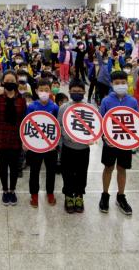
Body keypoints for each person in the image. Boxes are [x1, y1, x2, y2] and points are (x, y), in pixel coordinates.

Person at [99, 70, 137, 216]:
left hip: (125, 142)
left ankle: (121, 196)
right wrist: (105, 137)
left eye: (123, 82)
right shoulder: (106, 101)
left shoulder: (132, 101)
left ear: (127, 83)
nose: (120, 85)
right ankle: (105, 195)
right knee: (108, 167)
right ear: (111, 84)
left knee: (122, 168)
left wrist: (136, 140)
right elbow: (101, 121)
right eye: (117, 83)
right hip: (110, 142)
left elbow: (136, 122)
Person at [0, 70, 27, 206]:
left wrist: (25, 140)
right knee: (3, 166)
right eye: (7, 81)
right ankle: (5, 190)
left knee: (14, 167)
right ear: (3, 82)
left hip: (16, 137)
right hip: (1, 136)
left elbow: (24, 120)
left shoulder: (21, 99)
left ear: (16, 82)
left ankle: (12, 190)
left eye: (12, 81)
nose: (9, 83)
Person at [58, 79, 91, 214]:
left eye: (79, 91)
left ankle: (79, 196)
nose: (77, 93)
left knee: (82, 173)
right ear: (69, 92)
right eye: (74, 91)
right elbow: (59, 125)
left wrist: (92, 137)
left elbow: (95, 126)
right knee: (67, 173)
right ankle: (68, 196)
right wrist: (67, 136)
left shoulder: (89, 108)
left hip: (84, 149)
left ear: (84, 92)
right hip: (68, 147)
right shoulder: (63, 107)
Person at [25, 79, 59, 208]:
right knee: (34, 170)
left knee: (51, 170)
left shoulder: (54, 107)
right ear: (36, 91)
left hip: (50, 146)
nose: (43, 92)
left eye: (46, 90)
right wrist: (26, 142)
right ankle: (34, 194)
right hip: (35, 144)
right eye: (41, 90)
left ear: (50, 91)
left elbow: (57, 126)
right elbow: (26, 124)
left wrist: (55, 143)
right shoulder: (32, 106)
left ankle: (50, 193)